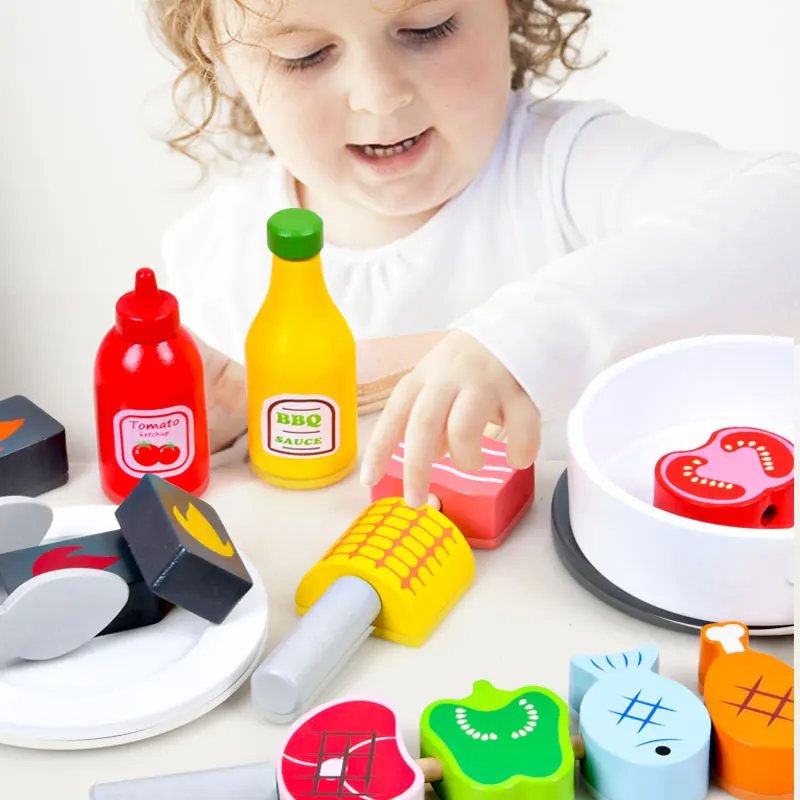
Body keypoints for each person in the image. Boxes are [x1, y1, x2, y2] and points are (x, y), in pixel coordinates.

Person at [149, 0, 800, 508]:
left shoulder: (566, 171)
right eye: (305, 55)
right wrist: (220, 435)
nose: (379, 94)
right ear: (217, 56)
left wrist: (526, 338)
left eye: (428, 28)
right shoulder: (211, 255)